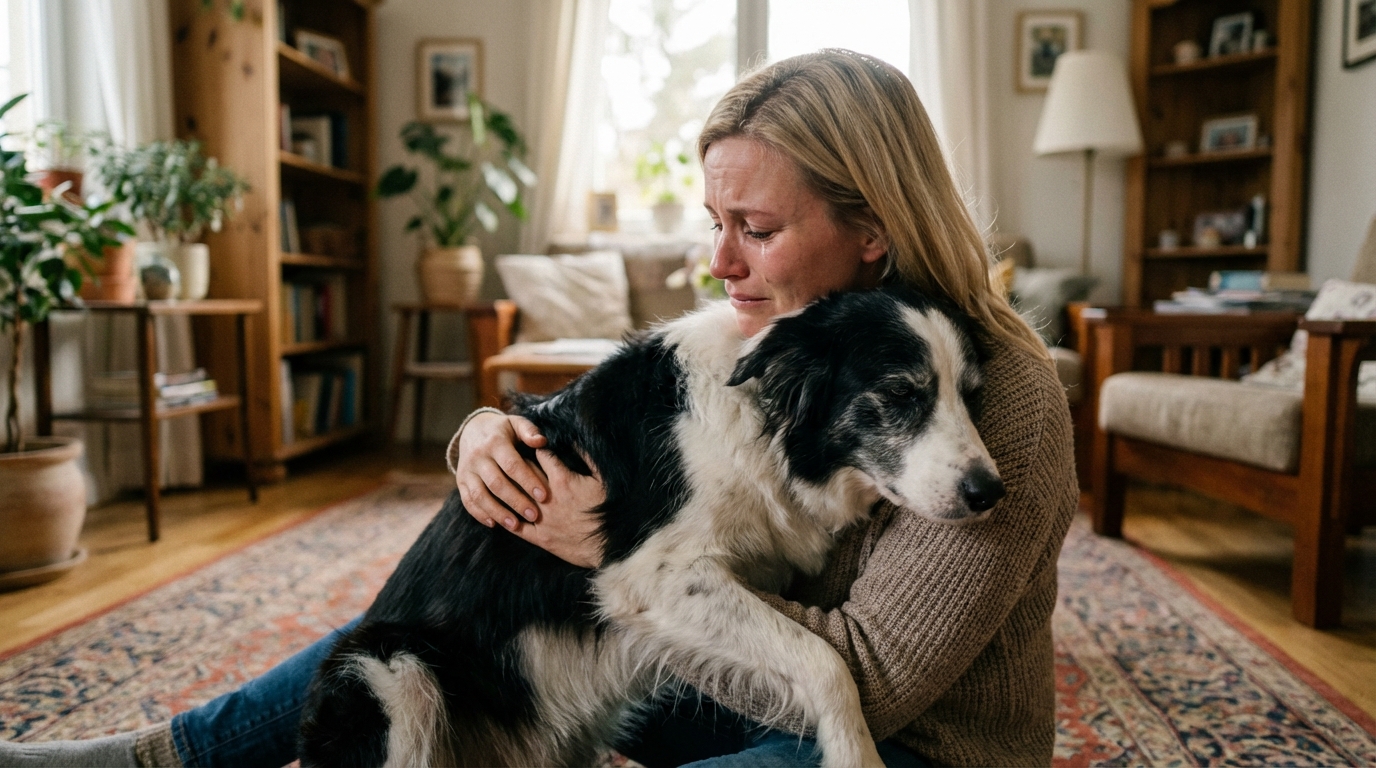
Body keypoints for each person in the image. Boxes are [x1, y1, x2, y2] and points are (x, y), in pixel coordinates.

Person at [0, 49, 1076, 768]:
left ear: (872, 227)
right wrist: (483, 435)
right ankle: (163, 756)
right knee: (428, 615)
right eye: (714, 222)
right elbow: (599, 417)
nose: (717, 262)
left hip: (901, 738)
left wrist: (613, 553)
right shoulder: (783, 338)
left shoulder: (1003, 397)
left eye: (753, 227)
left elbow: (873, 684)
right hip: (735, 676)